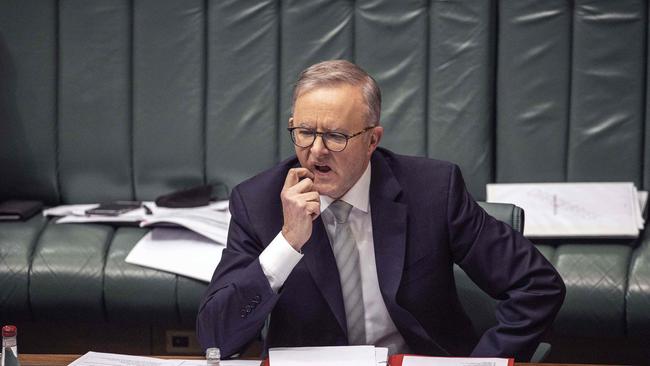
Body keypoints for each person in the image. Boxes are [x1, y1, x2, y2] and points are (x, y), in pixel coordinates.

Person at [196, 60, 565, 361]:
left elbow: (537, 286)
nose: (316, 150)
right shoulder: (258, 202)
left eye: (336, 136)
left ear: (372, 140)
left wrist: (482, 364)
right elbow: (216, 338)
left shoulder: (432, 190)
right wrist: (287, 243)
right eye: (304, 132)